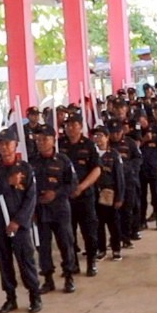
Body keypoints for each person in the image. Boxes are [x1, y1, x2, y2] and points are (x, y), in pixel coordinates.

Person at [0, 129, 42, 313]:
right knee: (4, 262)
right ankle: (10, 298)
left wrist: (17, 221)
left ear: (15, 145)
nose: (4, 147)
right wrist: (7, 182)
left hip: (20, 225)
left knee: (26, 262)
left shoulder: (25, 169)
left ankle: (35, 296)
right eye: (0, 143)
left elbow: (30, 198)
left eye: (7, 143)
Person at [32, 125, 79, 294]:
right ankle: (48, 279)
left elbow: (72, 184)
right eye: (38, 140)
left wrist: (56, 193)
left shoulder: (63, 160)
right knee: (43, 247)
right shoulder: (32, 162)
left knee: (65, 244)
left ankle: (68, 277)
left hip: (60, 209)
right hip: (41, 211)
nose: (41, 143)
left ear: (53, 140)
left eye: (45, 139)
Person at [59, 116, 102, 276]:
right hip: (65, 197)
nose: (70, 128)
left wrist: (81, 187)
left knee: (89, 231)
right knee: (68, 233)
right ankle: (72, 264)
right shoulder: (60, 145)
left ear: (80, 126)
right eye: (67, 125)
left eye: (74, 125)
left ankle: (91, 262)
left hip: (85, 196)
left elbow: (97, 169)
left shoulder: (89, 145)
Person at [90, 127, 125, 262]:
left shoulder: (114, 155)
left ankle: (116, 249)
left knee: (113, 223)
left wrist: (120, 197)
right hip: (94, 194)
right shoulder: (92, 154)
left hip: (110, 193)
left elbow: (119, 177)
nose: (98, 139)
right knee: (98, 224)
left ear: (107, 137)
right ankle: (101, 249)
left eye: (100, 135)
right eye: (96, 136)